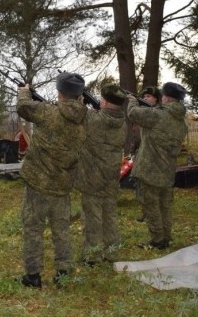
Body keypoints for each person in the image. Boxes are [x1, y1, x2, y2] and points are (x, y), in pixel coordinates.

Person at [16, 72, 88, 288]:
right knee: (61, 229)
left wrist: (23, 91)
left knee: (33, 228)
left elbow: (23, 107)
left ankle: (33, 275)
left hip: (38, 182)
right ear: (78, 95)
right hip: (63, 183)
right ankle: (63, 272)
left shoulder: (47, 112)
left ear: (59, 92)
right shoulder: (85, 118)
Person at [127, 82, 188, 250]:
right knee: (165, 206)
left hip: (150, 170)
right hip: (167, 171)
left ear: (166, 98)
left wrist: (132, 100)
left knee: (151, 206)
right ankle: (166, 237)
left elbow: (132, 113)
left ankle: (157, 240)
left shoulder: (157, 115)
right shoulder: (182, 123)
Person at [74, 84, 127, 266]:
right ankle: (112, 252)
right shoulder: (122, 124)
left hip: (91, 176)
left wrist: (81, 101)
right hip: (111, 176)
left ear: (104, 101)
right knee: (109, 215)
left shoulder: (93, 119)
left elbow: (79, 116)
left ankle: (93, 256)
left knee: (92, 218)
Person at [130, 86, 162, 222]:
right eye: (144, 97)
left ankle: (153, 214)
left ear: (156, 98)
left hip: (155, 156)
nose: (145, 99)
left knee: (153, 188)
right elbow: (138, 136)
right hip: (144, 153)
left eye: (148, 96)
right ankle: (145, 211)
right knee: (142, 187)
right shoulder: (145, 112)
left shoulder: (157, 113)